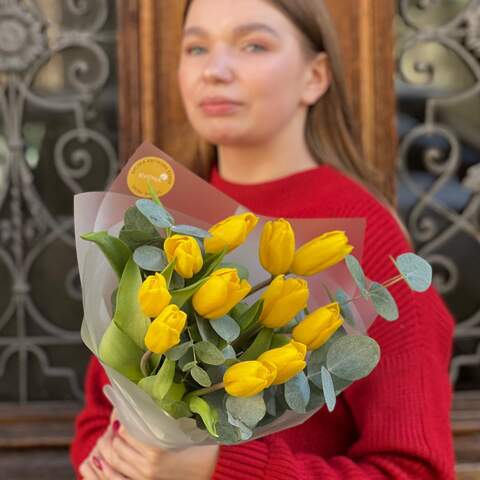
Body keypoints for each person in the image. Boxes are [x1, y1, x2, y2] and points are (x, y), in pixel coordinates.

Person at [71, 0, 456, 478]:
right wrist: (106, 461)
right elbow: (97, 414)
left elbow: (415, 469)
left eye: (253, 44)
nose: (214, 69)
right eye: (196, 47)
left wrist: (222, 469)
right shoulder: (155, 217)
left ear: (315, 76)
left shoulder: (365, 239)